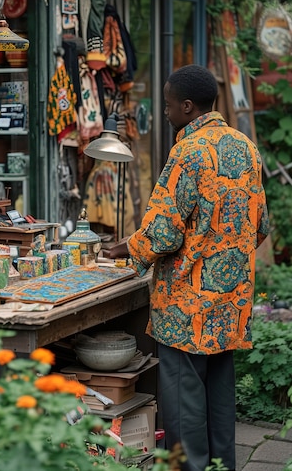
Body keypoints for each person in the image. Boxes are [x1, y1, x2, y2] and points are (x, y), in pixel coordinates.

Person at [120, 64, 269, 471]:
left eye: (168, 106)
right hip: (231, 302)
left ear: (187, 107)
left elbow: (163, 235)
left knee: (185, 403)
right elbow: (260, 227)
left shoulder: (187, 152)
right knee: (220, 395)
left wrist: (127, 250)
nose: (165, 113)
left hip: (187, 306)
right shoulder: (246, 147)